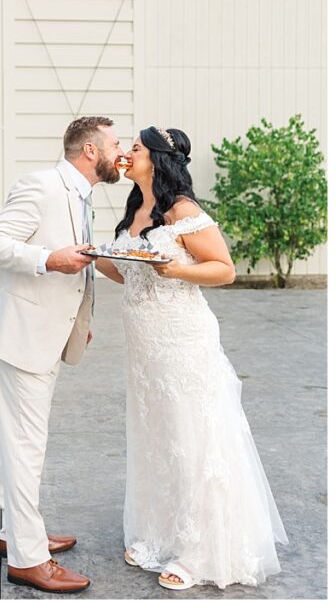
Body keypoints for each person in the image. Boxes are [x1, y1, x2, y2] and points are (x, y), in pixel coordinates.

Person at [97, 126, 288, 590]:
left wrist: (179, 269)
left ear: (157, 160)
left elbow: (224, 269)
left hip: (181, 339)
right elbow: (129, 275)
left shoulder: (183, 210)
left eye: (135, 149)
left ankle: (202, 549)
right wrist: (95, 255)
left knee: (192, 437)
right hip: (144, 348)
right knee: (157, 437)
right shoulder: (136, 209)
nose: (125, 154)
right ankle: (162, 533)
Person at [0, 116, 123, 594]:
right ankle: (27, 559)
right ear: (90, 150)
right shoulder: (41, 185)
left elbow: (81, 268)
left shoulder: (82, 194)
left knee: (23, 441)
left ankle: (15, 532)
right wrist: (48, 259)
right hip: (21, 333)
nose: (121, 152)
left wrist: (78, 319)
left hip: (46, 332)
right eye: (115, 144)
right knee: (26, 446)